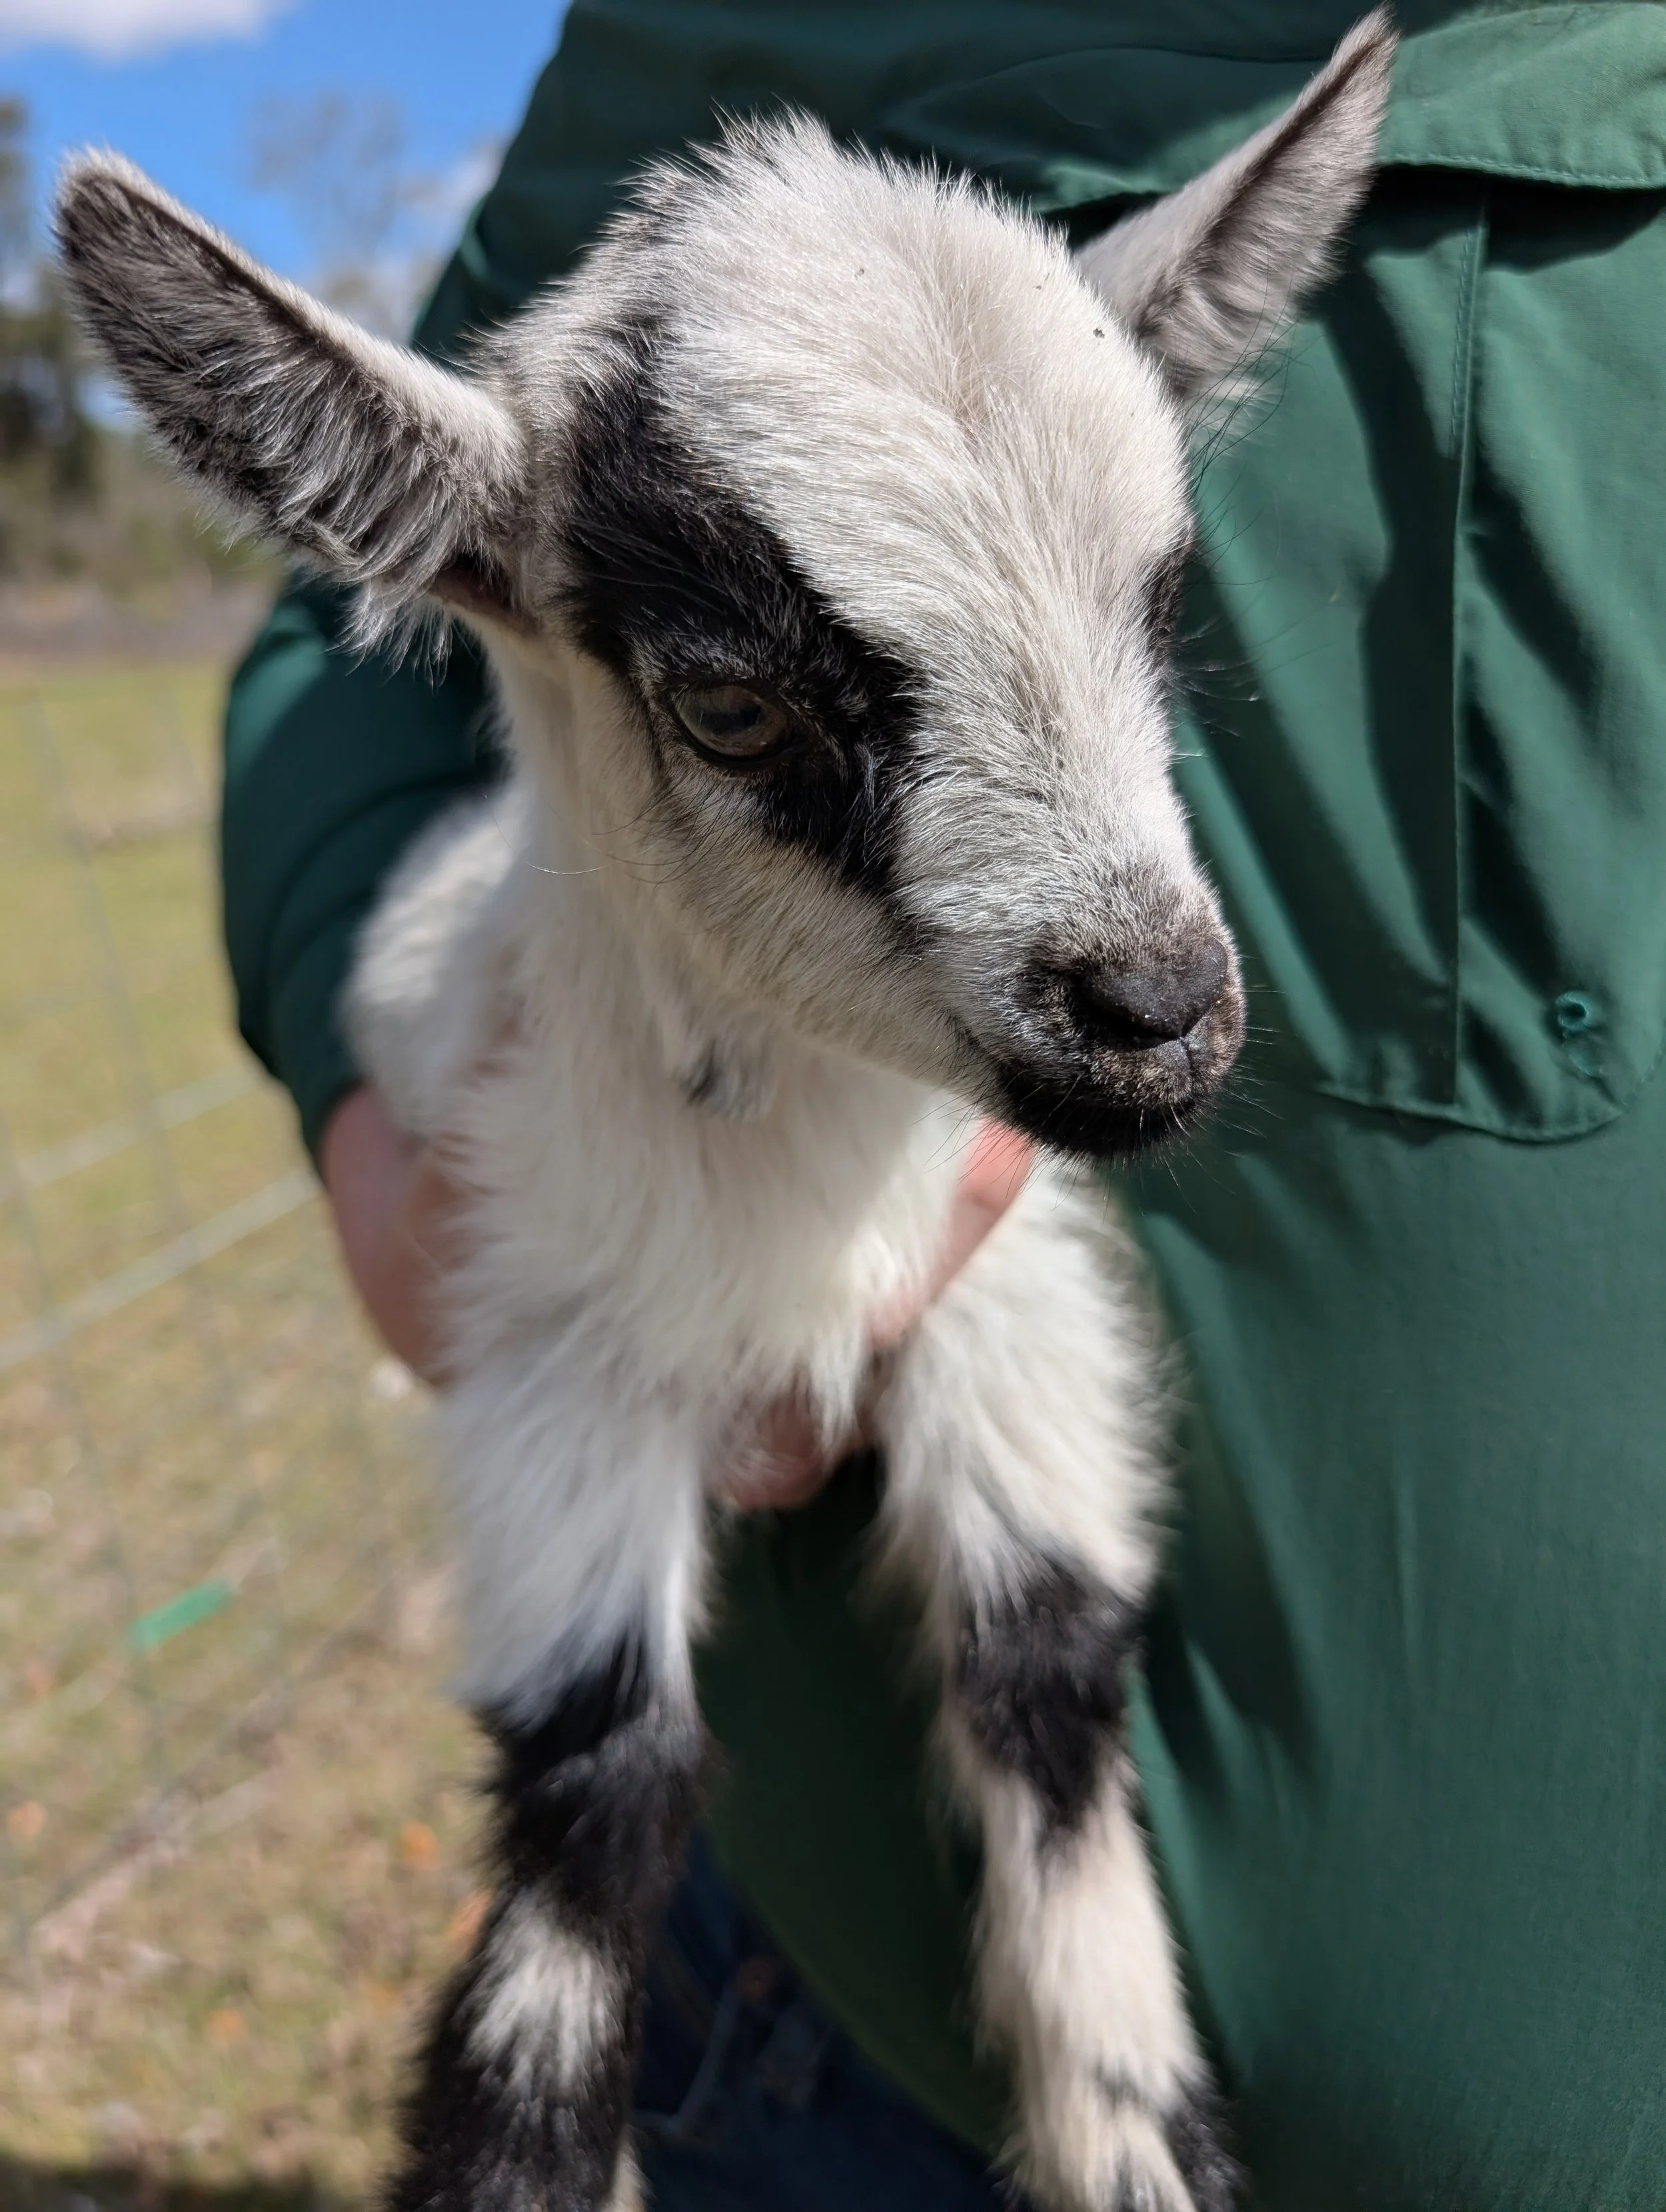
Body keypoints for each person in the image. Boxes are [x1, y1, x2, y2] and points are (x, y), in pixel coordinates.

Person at [221, 3, 1666, 2206]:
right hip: (841, 2065)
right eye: (734, 702)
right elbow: (350, 650)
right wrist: (387, 1120)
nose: (1174, 960)